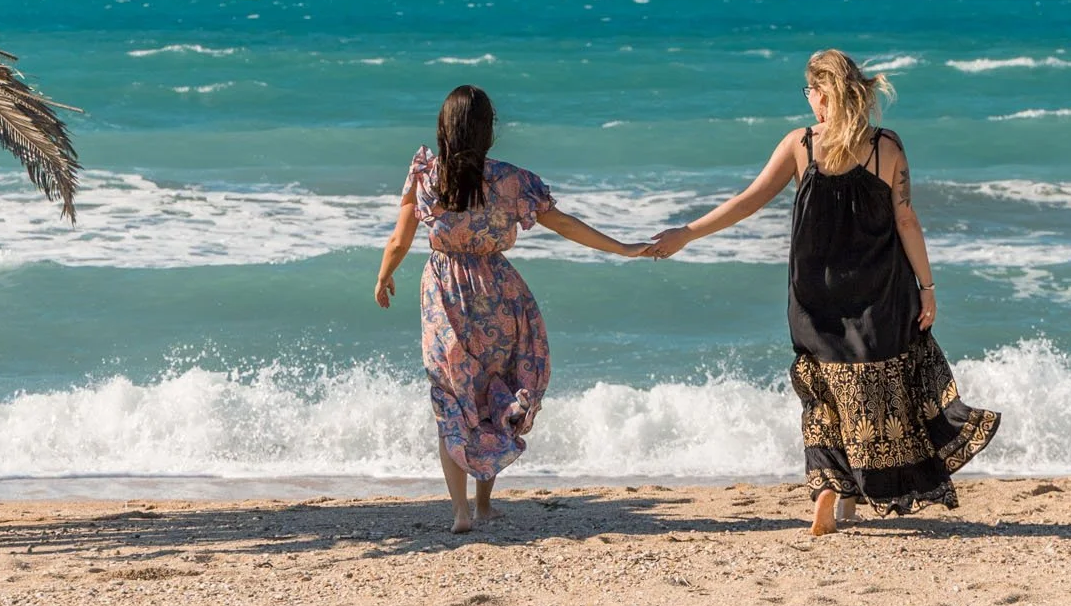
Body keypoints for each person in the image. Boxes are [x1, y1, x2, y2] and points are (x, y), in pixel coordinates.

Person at [644, 49, 998, 533]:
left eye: (810, 91)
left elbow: (747, 201)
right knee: (881, 389)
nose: (808, 99)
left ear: (824, 95)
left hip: (814, 295)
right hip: (881, 290)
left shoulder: (801, 145)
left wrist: (687, 232)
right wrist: (928, 286)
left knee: (825, 393)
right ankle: (851, 492)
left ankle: (831, 487)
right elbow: (907, 219)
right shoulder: (886, 147)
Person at [377, 85, 643, 531]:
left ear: (444, 128)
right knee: (493, 391)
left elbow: (399, 239)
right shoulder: (511, 180)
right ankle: (484, 505)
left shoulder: (426, 177)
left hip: (445, 294)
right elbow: (563, 224)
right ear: (487, 132)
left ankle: (461, 511)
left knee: (453, 399)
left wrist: (384, 275)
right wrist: (620, 248)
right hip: (498, 292)